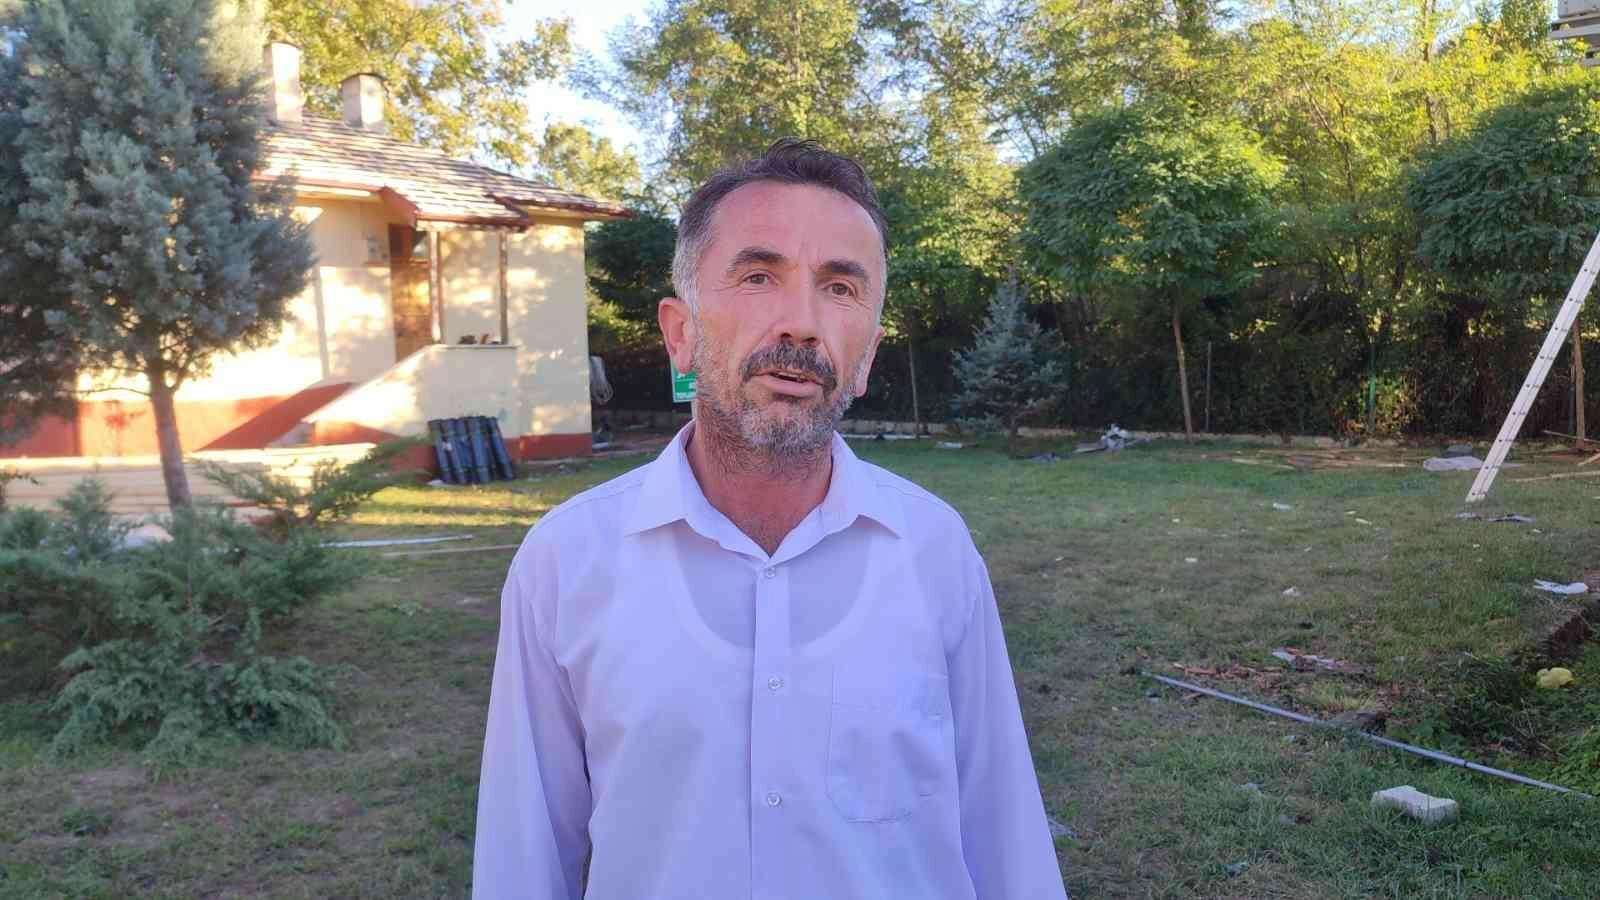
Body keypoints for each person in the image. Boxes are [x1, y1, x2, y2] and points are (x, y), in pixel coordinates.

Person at [473, 138, 1067, 900]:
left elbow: (1005, 839)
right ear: (680, 332)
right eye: (759, 277)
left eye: (840, 288)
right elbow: (521, 862)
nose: (801, 324)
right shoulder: (565, 564)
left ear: (867, 357)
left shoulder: (935, 552)